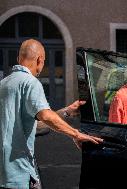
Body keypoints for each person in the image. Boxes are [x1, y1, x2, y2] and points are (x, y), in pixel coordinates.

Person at [0, 39, 103, 189]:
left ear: (18, 59)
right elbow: (46, 116)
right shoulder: (30, 82)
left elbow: (37, 125)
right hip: (19, 173)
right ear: (39, 60)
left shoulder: (3, 84)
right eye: (43, 62)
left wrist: (66, 112)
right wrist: (76, 134)